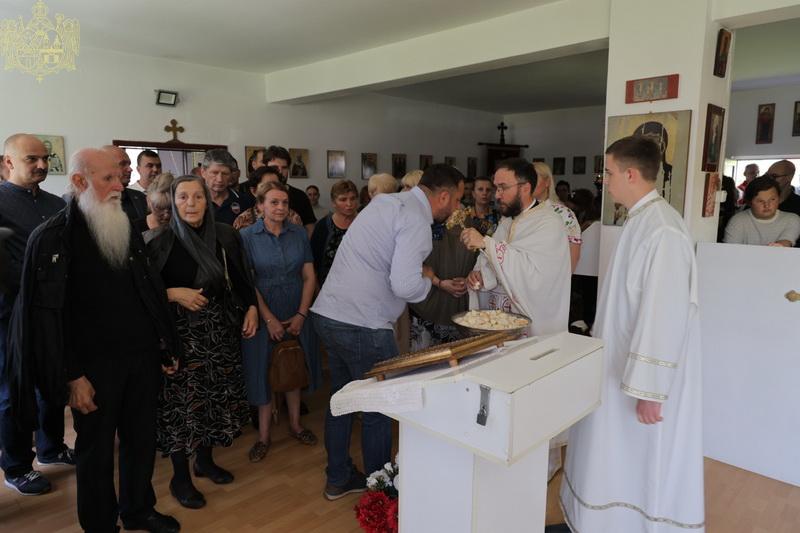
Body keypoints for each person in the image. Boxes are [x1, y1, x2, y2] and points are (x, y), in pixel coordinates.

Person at [9, 147, 181, 532]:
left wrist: (165, 343)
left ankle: (138, 509)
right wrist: (72, 376)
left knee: (141, 440)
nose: (120, 185)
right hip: (91, 369)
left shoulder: (123, 223)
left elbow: (147, 289)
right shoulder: (52, 238)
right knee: (96, 451)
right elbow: (49, 320)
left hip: (140, 358)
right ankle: (100, 523)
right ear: (79, 181)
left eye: (119, 176)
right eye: (108, 179)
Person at [560, 136, 704, 532]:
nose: (604, 181)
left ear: (631, 174)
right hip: (618, 361)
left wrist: (649, 389)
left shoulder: (664, 231)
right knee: (607, 450)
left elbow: (665, 313)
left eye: (608, 173)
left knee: (637, 459)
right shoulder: (641, 220)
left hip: (641, 380)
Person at [312, 164, 464, 500]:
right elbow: (405, 285)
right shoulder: (416, 222)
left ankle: (338, 478)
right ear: (443, 196)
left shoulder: (385, 203)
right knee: (378, 410)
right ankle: (380, 494)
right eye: (456, 201)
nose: (456, 208)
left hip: (330, 315)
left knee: (342, 401)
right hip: (363, 324)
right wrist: (428, 280)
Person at [147, 175, 258, 509]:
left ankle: (205, 461)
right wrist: (172, 293)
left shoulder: (225, 235)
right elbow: (142, 293)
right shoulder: (157, 242)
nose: (191, 203)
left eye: (198, 196)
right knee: (182, 409)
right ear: (172, 202)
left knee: (214, 401)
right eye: (183, 197)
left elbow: (241, 278)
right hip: (179, 337)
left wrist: (252, 307)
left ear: (207, 201)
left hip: (219, 333)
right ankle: (180, 477)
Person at [0, 134, 71, 496]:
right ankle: (16, 466)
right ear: (8, 162)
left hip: (52, 311)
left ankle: (51, 447)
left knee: (52, 381)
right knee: (13, 391)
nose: (42, 165)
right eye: (32, 159)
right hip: (9, 315)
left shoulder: (56, 204)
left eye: (45, 158)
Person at [240, 181, 321, 463]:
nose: (280, 208)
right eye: (273, 202)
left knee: (293, 365)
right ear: (260, 206)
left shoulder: (298, 234)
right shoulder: (247, 237)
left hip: (296, 307)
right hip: (262, 311)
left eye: (285, 203)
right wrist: (269, 319)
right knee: (261, 370)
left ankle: (296, 425)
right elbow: (248, 283)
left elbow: (309, 276)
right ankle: (263, 437)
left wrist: (301, 314)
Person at [463, 158, 571, 337]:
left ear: (525, 188)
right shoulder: (507, 220)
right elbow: (492, 260)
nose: (497, 195)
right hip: (500, 320)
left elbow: (537, 278)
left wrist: (485, 243)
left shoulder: (549, 223)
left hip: (534, 327)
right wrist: (479, 274)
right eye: (496, 188)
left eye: (503, 188)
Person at [253, 146, 316, 235]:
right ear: (265, 167)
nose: (280, 171)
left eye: (284, 167)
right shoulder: (256, 194)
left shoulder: (300, 196)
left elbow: (310, 228)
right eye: (274, 167)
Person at [533, 162, 582, 272]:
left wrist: (563, 279)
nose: (529, 183)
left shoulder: (563, 213)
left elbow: (573, 254)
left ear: (547, 182)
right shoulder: (519, 212)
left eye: (534, 178)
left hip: (551, 275)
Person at [724, 176, 800, 247]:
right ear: (749, 202)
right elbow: (730, 250)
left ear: (779, 199)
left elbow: (785, 242)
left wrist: (780, 246)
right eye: (760, 201)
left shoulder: (792, 219)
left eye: (772, 199)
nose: (767, 205)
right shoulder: (738, 220)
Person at [310, 179, 359, 287]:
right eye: (343, 199)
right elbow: (313, 263)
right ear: (333, 202)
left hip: (359, 286)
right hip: (328, 287)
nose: (349, 204)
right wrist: (317, 290)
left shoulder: (365, 224)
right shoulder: (323, 227)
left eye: (353, 198)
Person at [232, 166, 302, 230]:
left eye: (276, 185)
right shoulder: (243, 220)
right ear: (254, 191)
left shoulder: (292, 218)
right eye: (266, 186)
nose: (273, 190)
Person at [201, 149, 254, 226]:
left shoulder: (244, 201)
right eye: (214, 173)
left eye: (225, 174)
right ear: (203, 173)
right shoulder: (193, 201)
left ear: (231, 175)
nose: (220, 179)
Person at [101, 145, 148, 222]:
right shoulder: (90, 201)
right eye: (123, 164)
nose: (130, 169)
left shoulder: (141, 198)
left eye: (129, 164)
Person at [136, 172, 175, 238]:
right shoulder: (135, 228)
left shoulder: (183, 227)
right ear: (148, 201)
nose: (166, 215)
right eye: (159, 208)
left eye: (171, 208)